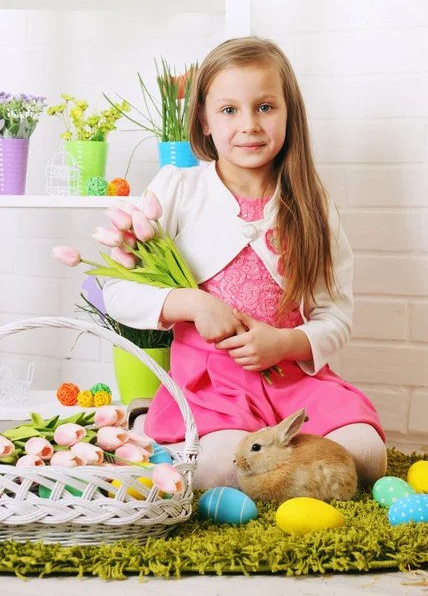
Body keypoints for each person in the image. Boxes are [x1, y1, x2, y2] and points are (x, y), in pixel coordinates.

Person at [104, 36, 387, 490]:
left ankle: (276, 462)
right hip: (211, 386)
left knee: (366, 456)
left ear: (289, 112)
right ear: (204, 119)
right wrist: (192, 303)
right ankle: (147, 424)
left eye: (265, 107)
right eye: (229, 110)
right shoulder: (177, 188)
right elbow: (118, 292)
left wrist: (285, 343)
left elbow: (335, 316)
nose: (249, 125)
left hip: (291, 377)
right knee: (223, 470)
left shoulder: (312, 203)